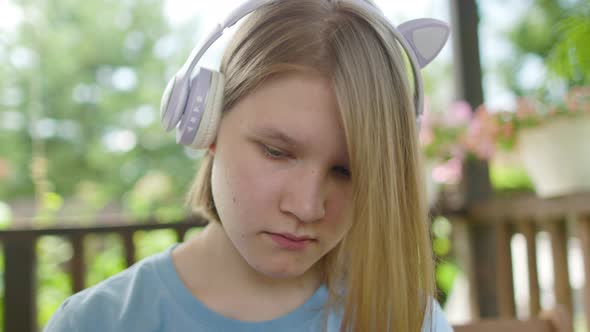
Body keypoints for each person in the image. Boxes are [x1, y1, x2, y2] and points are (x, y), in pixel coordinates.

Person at [45, 0, 453, 331]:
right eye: (277, 152)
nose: (308, 207)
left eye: (346, 171)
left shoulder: (408, 321)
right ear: (205, 124)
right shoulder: (95, 322)